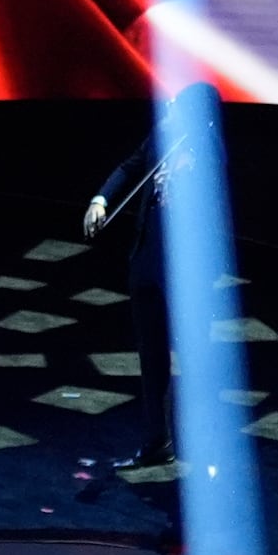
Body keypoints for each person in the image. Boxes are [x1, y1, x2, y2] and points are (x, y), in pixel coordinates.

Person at [83, 95, 191, 468]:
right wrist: (101, 199)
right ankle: (157, 441)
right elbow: (129, 167)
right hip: (147, 258)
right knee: (152, 354)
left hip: (183, 268)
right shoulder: (164, 134)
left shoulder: (206, 146)